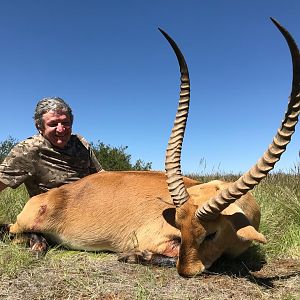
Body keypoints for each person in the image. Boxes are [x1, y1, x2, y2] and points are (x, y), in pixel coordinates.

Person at [0, 97, 103, 197]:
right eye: (53, 124)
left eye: (65, 123)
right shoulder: (27, 149)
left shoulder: (80, 143)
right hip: (51, 211)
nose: (61, 129)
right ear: (39, 127)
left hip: (90, 208)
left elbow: (100, 175)